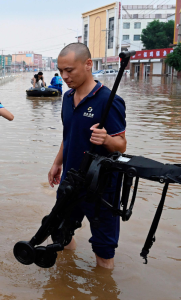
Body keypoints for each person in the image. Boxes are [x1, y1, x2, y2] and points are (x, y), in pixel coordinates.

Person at [48, 43, 126, 269]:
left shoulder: (108, 101)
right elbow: (68, 135)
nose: (64, 76)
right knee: (61, 233)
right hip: (71, 181)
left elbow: (121, 146)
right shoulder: (67, 98)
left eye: (69, 70)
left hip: (100, 187)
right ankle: (67, 277)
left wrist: (107, 140)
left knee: (103, 250)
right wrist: (57, 164)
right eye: (61, 70)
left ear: (88, 64)